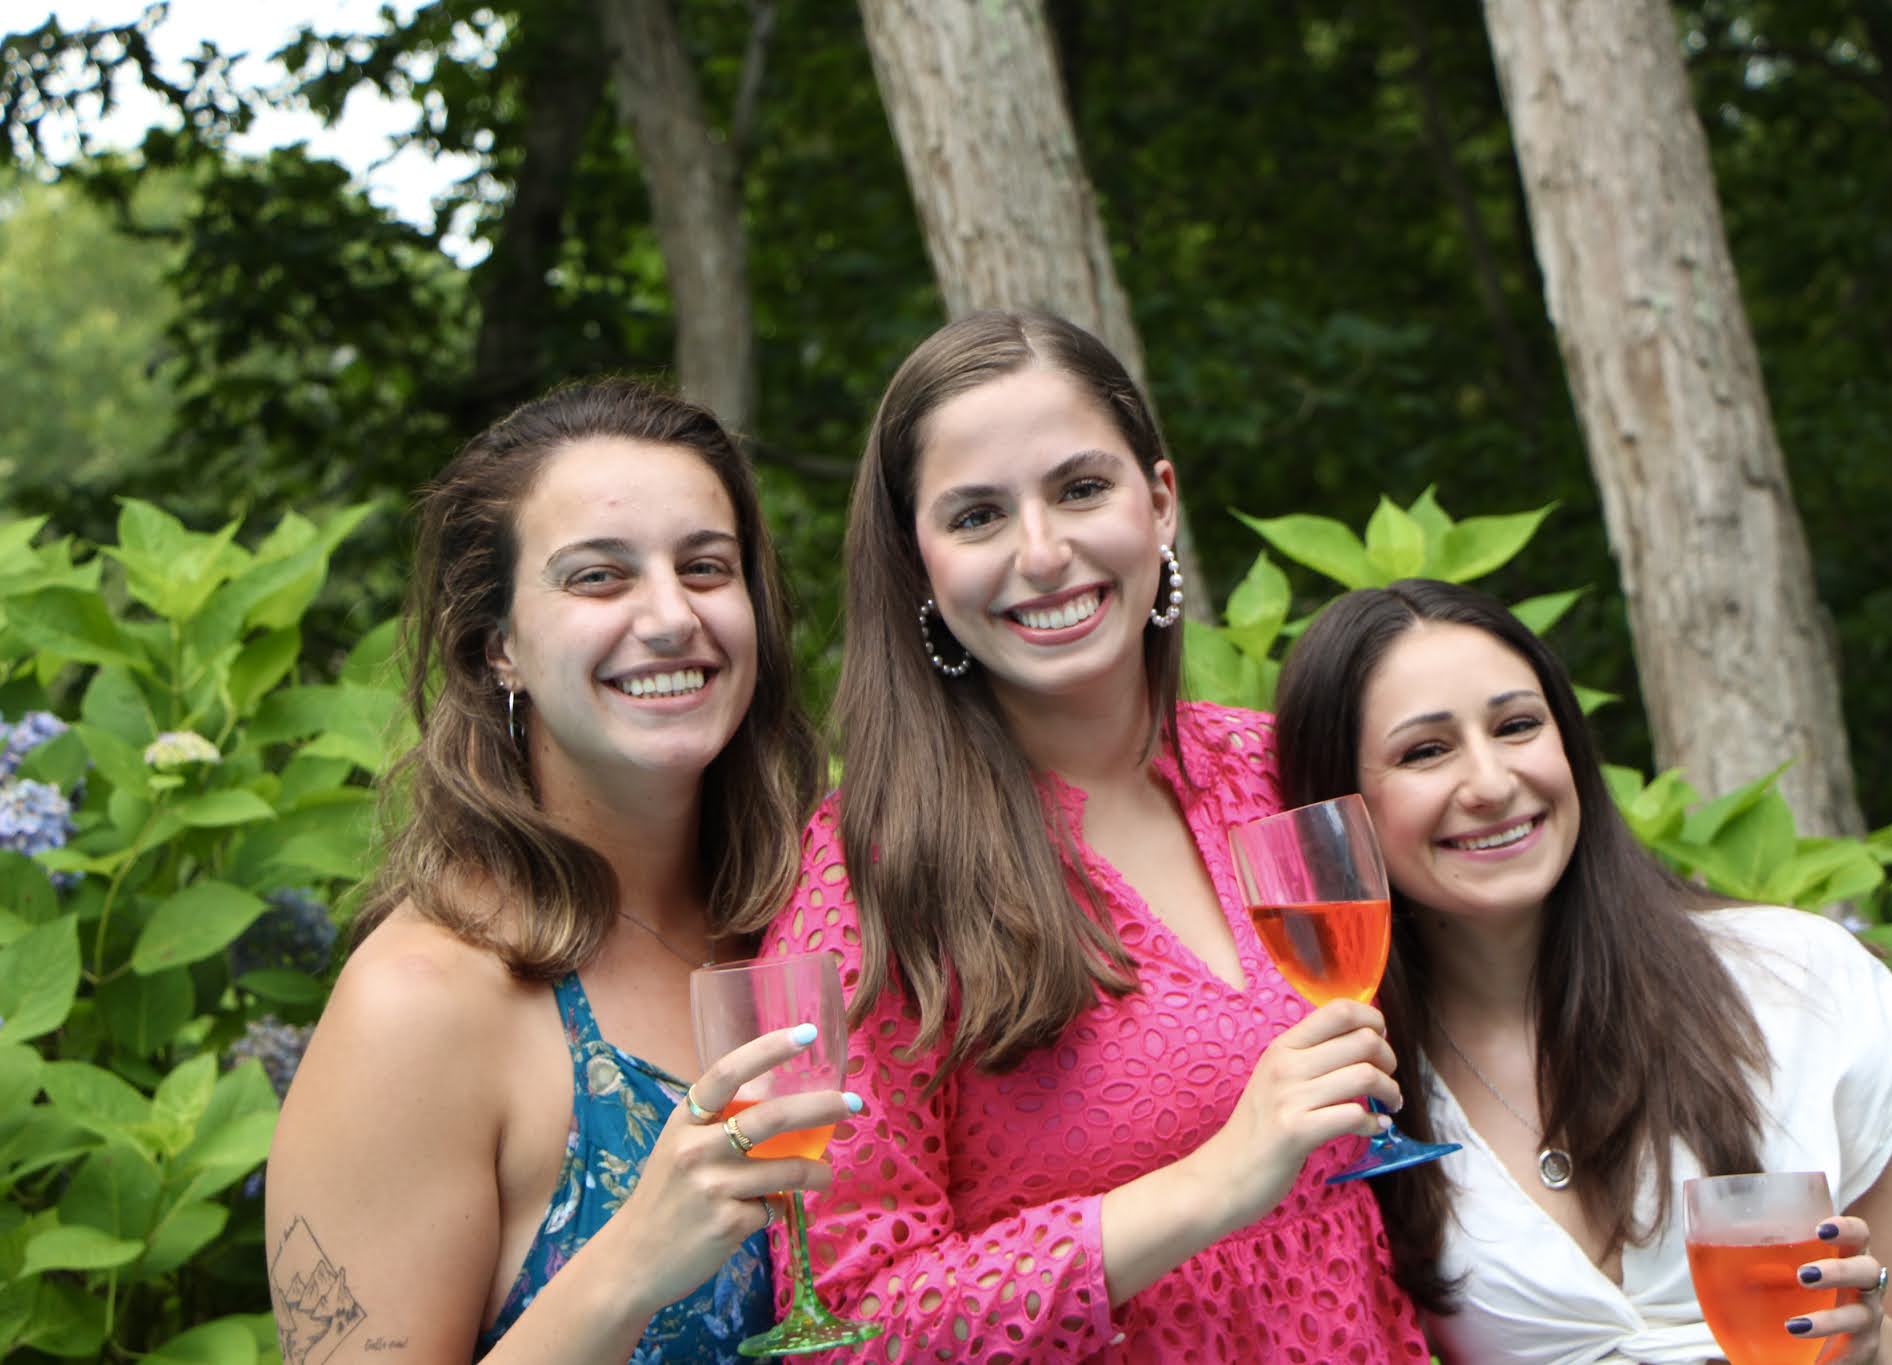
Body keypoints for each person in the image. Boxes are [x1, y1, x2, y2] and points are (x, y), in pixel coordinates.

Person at [758, 310, 1429, 1361]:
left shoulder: (1280, 769)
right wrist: (1206, 1187)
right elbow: (839, 1325)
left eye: (1080, 489)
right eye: (977, 516)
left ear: (1158, 501)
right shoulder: (861, 887)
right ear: (915, 561)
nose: (1043, 552)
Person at [265, 379, 860, 1363]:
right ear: (497, 646)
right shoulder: (418, 1006)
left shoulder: (815, 921)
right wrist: (631, 1261)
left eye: (706, 567)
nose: (670, 616)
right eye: (598, 578)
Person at [1271, 577, 1892, 1365]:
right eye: (1427, 750)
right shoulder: (1357, 1086)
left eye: (1516, 725)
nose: (1494, 782)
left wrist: (1878, 1351)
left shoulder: (1798, 979)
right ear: (1343, 809)